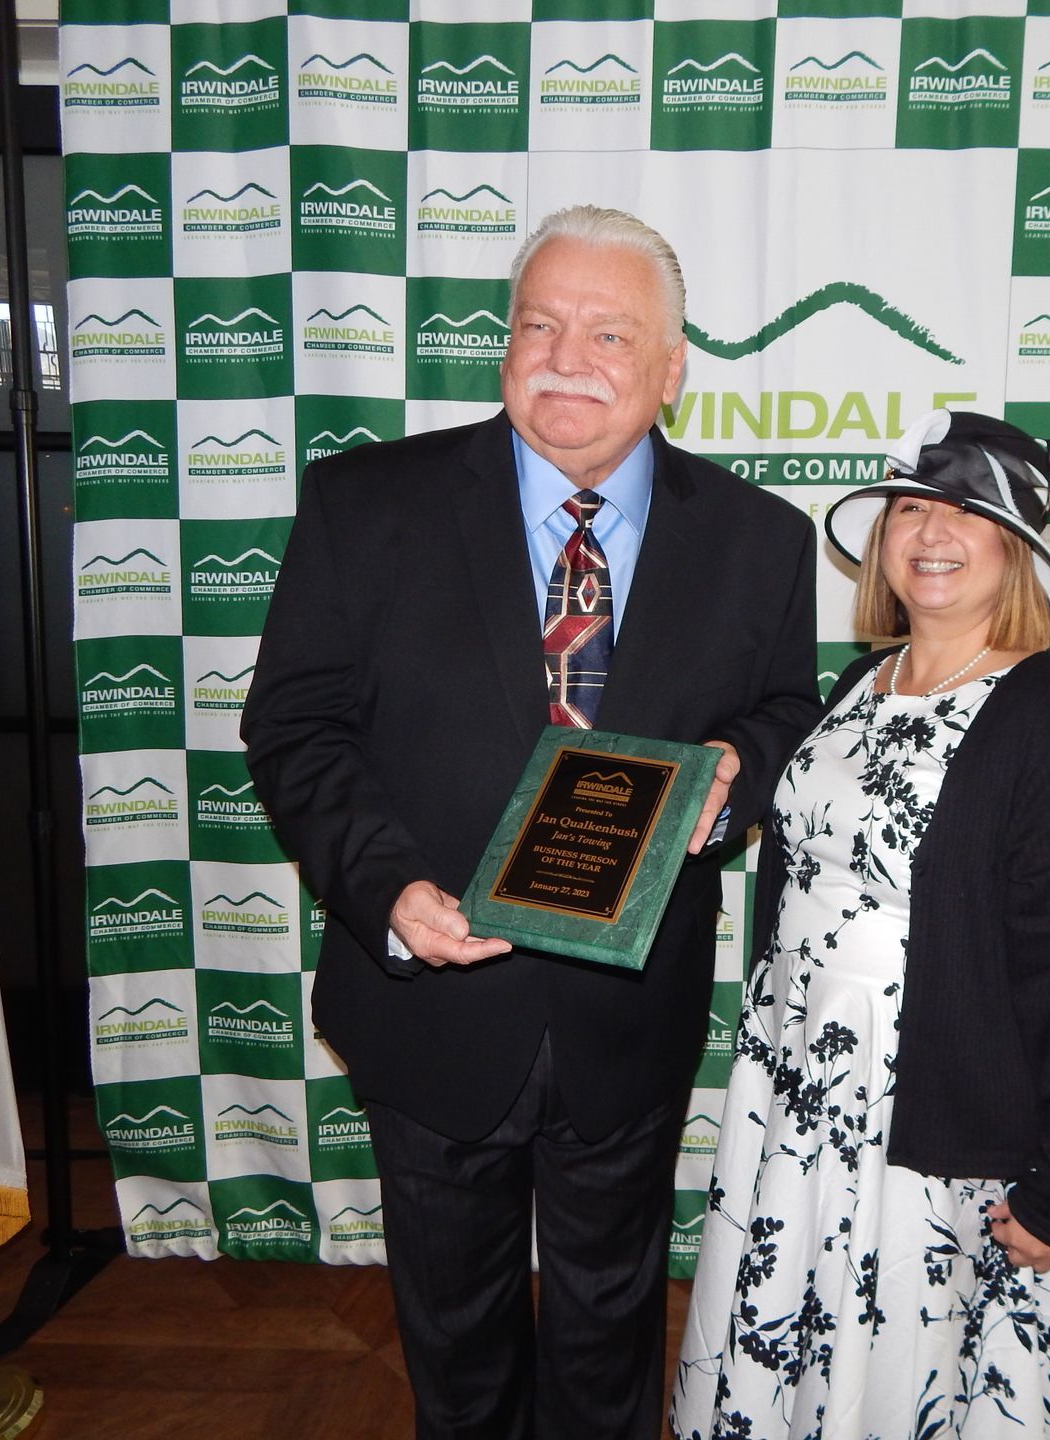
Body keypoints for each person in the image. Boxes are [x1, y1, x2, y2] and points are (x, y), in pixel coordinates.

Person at [242, 205, 822, 1440]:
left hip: (631, 1008)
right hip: (428, 996)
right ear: (503, 347)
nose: (568, 357)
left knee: (613, 1318)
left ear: (672, 372)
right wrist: (389, 890)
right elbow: (296, 727)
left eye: (612, 334)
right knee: (454, 1328)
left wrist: (737, 770)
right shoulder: (364, 504)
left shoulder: (760, 539)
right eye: (540, 325)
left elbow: (784, 710)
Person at [671, 410, 1050, 1440]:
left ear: (1023, 551)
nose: (932, 532)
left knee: (943, 1377)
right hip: (811, 1093)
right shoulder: (863, 684)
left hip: (952, 1115)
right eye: (912, 506)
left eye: (968, 511)